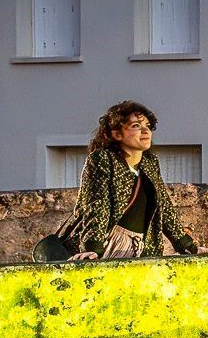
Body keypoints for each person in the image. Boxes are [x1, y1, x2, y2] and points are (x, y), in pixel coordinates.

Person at [51, 100, 198, 260]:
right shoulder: (103, 159)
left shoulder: (150, 164)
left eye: (148, 126)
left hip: (141, 248)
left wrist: (185, 245)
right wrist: (93, 247)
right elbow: (97, 204)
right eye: (136, 126)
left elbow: (163, 206)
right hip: (110, 244)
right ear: (117, 134)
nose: (146, 131)